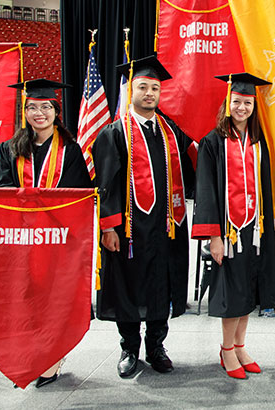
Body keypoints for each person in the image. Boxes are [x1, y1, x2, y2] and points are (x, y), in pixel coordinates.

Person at [91, 56, 195, 378]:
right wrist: (109, 227)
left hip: (165, 228)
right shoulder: (114, 133)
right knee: (129, 287)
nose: (149, 93)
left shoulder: (170, 132)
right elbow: (105, 184)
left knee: (160, 286)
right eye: (143, 87)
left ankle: (156, 346)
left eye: (154, 88)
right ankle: (129, 348)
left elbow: (191, 165)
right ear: (130, 90)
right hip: (129, 230)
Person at [0, 79, 93, 388]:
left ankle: (53, 355)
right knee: (26, 296)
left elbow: (79, 193)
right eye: (32, 107)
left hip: (58, 237)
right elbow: (1, 186)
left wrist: (47, 210)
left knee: (55, 297)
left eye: (45, 107)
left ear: (55, 111)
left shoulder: (70, 150)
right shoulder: (9, 148)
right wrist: (24, 202)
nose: (39, 113)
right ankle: (30, 353)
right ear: (25, 112)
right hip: (21, 236)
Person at [191, 72, 275, 380]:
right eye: (236, 102)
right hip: (229, 232)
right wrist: (214, 237)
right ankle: (226, 349)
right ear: (227, 103)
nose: (241, 108)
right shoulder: (213, 142)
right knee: (231, 292)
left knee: (249, 287)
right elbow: (206, 190)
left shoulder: (259, 143)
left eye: (247, 103)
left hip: (255, 230)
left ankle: (240, 345)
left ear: (253, 106)